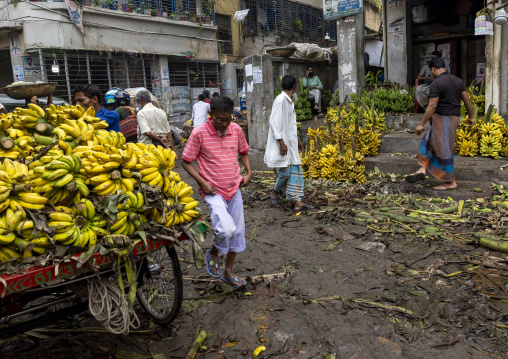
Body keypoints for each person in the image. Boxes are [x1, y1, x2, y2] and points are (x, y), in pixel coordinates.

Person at [181, 95, 252, 289]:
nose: (224, 124)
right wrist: (202, 182)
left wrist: (248, 172)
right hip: (212, 191)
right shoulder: (199, 133)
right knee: (225, 229)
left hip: (234, 187)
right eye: (220, 119)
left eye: (228, 119)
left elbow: (243, 151)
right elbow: (186, 161)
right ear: (210, 114)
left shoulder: (236, 130)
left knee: (237, 233)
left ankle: (228, 272)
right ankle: (214, 251)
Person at [405, 58, 474, 190]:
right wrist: (471, 117)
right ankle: (422, 169)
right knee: (428, 143)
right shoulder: (458, 80)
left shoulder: (436, 83)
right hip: (452, 119)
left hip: (443, 120)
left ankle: (450, 182)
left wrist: (421, 124)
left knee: (444, 151)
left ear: (432, 69)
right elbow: (467, 101)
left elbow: (432, 106)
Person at [265, 75, 314, 212]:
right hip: (283, 143)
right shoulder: (280, 100)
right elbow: (274, 122)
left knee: (295, 171)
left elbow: (291, 125)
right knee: (285, 173)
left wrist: (297, 140)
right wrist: (281, 142)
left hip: (290, 142)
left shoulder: (289, 101)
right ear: (294, 87)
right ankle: (274, 192)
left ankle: (297, 202)